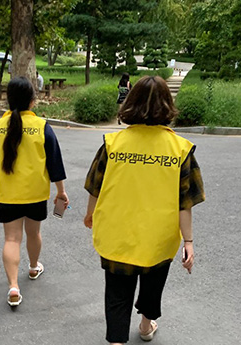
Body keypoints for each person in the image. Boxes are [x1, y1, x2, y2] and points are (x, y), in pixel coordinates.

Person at [83, 75, 205, 345]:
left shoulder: (113, 145)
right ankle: (147, 323)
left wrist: (90, 214)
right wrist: (189, 241)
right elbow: (185, 202)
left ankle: (116, 340)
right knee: (153, 284)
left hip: (117, 233)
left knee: (117, 294)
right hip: (158, 237)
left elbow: (95, 186)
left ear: (132, 102)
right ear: (167, 105)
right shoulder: (180, 150)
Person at [0, 76, 68, 306]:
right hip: (36, 194)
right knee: (34, 234)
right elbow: (55, 165)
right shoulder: (42, 127)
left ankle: (13, 286)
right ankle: (32, 268)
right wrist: (61, 192)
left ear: (8, 100)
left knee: (11, 238)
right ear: (32, 100)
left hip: (8, 194)